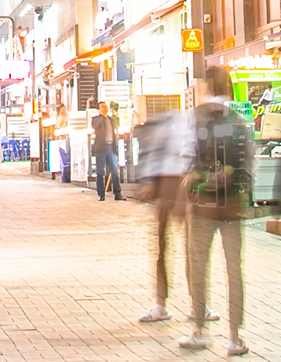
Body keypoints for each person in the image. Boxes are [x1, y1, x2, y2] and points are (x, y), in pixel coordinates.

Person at [179, 68, 252, 355]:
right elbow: (249, 162)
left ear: (206, 87)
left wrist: (193, 180)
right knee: (234, 270)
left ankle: (198, 329)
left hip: (202, 205)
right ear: (231, 89)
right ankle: (234, 336)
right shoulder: (240, 121)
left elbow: (186, 156)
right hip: (232, 205)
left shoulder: (196, 118)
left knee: (198, 265)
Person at [136, 104, 191, 322]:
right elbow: (153, 154)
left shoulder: (186, 122)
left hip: (182, 182)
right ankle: (162, 302)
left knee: (184, 245)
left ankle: (194, 303)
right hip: (171, 182)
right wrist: (150, 181)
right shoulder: (168, 124)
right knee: (167, 244)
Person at [91, 101, 123, 201]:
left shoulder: (111, 119)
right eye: (102, 107)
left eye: (105, 107)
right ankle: (101, 194)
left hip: (111, 147)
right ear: (99, 109)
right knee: (100, 171)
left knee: (114, 170)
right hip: (101, 148)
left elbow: (117, 125)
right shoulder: (96, 119)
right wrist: (103, 116)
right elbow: (95, 126)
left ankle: (117, 193)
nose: (105, 108)